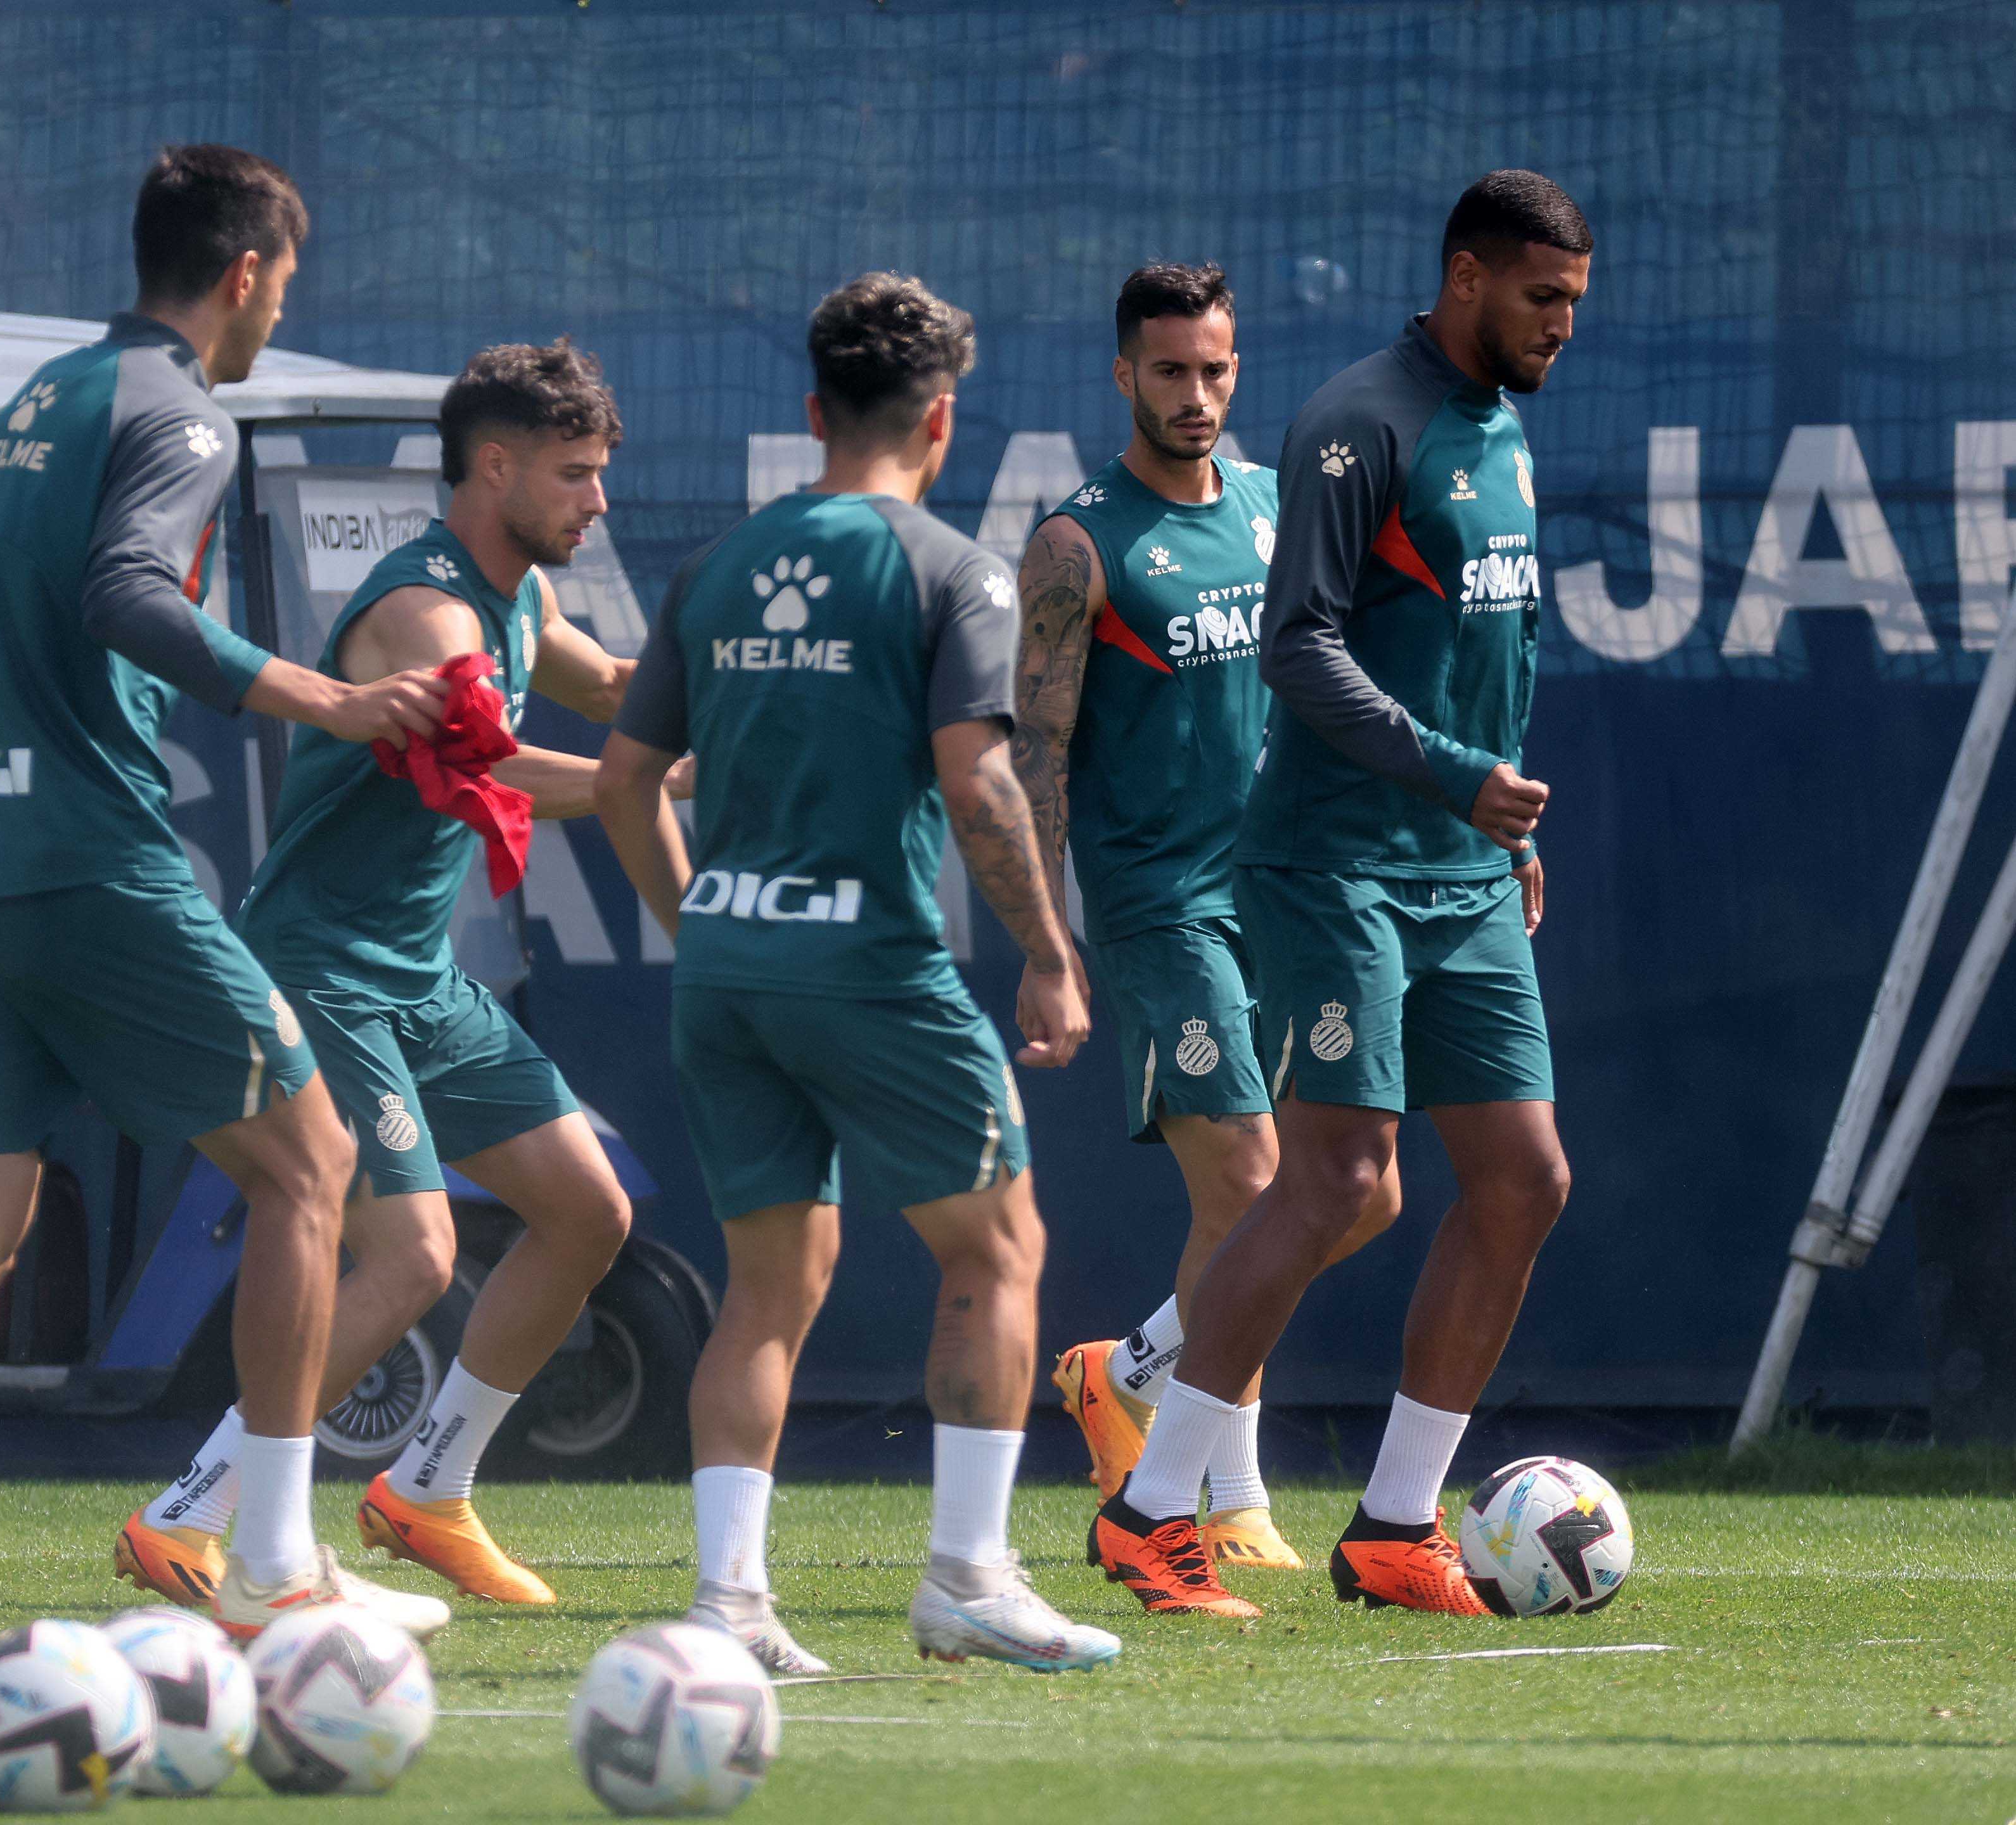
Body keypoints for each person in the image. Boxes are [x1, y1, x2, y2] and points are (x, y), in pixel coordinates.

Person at [0, 144, 453, 1652]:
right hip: (81, 857)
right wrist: (331, 699)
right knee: (311, 1164)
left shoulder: (42, 398)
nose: (282, 308)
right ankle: (272, 1562)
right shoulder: (182, 410)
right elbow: (127, 593)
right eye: (286, 281)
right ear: (247, 273)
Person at [594, 272, 1119, 1677]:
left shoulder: (716, 567)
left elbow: (627, 780)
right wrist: (1049, 955)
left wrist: (704, 920)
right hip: (870, 969)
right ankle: (968, 1579)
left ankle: (728, 1605)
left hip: (728, 974)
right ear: (940, 422)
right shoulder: (953, 570)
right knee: (996, 1250)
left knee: (771, 1281)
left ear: (814, 411)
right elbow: (980, 782)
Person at [114, 340, 691, 1611]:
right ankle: (189, 1513)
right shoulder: (424, 614)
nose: (599, 502)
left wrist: (745, 702)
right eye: (576, 475)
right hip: (320, 972)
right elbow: (495, 771)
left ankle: (426, 1490)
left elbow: (612, 686)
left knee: (588, 1213)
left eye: (601, 473)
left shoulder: (520, 601)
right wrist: (652, 780)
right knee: (416, 1257)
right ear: (495, 468)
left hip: (420, 980)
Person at [1090, 170, 1591, 1617]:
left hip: (1464, 866)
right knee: (1335, 1179)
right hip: (1335, 866)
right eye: (1541, 297)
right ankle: (1150, 1509)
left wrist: (1501, 818)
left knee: (1524, 1180)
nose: (1562, 324)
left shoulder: (1502, 430)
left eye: (1574, 300)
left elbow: (1497, 647)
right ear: (1465, 277)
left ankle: (1393, 1527)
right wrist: (1457, 774)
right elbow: (1297, 647)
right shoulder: (1356, 422)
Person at [1013, 265, 1397, 1611]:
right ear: (1123, 374)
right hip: (1160, 903)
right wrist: (1046, 942)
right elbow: (1034, 755)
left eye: (1215, 370)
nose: (1195, 394)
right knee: (1247, 1182)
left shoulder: (1278, 508)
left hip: (1289, 889)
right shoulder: (1077, 546)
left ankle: (1125, 1372)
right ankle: (1223, 1497)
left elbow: (1337, 692)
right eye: (1169, 371)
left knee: (1362, 1193)